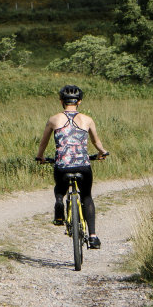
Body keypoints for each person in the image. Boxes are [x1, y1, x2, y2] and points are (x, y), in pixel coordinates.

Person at [34, 83, 108, 249]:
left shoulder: (54, 119)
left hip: (62, 165)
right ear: (79, 101)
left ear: (61, 100)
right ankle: (93, 236)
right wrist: (103, 152)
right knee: (87, 196)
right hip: (83, 165)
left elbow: (43, 143)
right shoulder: (87, 120)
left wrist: (40, 157)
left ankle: (60, 201)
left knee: (59, 188)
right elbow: (96, 142)